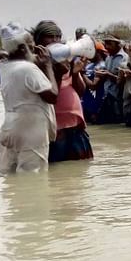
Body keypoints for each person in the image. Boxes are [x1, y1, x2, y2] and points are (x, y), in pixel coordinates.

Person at [0, 24, 58, 173]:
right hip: (30, 131)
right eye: (31, 46)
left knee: (9, 175)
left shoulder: (4, 66)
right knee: (33, 179)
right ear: (23, 49)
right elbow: (52, 96)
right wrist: (48, 66)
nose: (35, 49)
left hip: (10, 127)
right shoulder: (28, 69)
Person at [33, 21, 93, 162]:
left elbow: (80, 90)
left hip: (76, 126)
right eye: (50, 37)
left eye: (57, 36)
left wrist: (76, 73)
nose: (55, 40)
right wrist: (58, 73)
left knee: (81, 172)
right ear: (39, 40)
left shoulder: (67, 58)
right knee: (57, 175)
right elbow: (51, 96)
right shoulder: (38, 63)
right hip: (56, 129)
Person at [96, 34, 128, 124]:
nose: (106, 47)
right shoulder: (108, 58)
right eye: (105, 44)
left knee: (118, 123)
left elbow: (122, 80)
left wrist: (108, 74)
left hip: (118, 97)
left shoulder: (124, 58)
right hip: (107, 95)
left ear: (117, 44)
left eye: (109, 44)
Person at [82, 41, 107, 124]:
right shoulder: (89, 65)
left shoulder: (102, 66)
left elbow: (93, 86)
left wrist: (81, 74)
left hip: (96, 102)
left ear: (98, 52)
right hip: (86, 101)